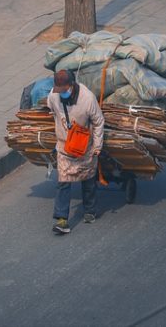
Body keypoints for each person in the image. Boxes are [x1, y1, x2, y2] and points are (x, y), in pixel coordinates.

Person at [47, 69, 104, 234]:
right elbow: (53, 111)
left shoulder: (88, 99)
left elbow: (99, 121)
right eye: (58, 90)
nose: (60, 93)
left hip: (85, 146)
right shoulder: (53, 95)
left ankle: (90, 211)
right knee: (63, 181)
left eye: (63, 90)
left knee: (88, 179)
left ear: (71, 86)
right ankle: (62, 220)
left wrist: (98, 146)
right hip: (64, 146)